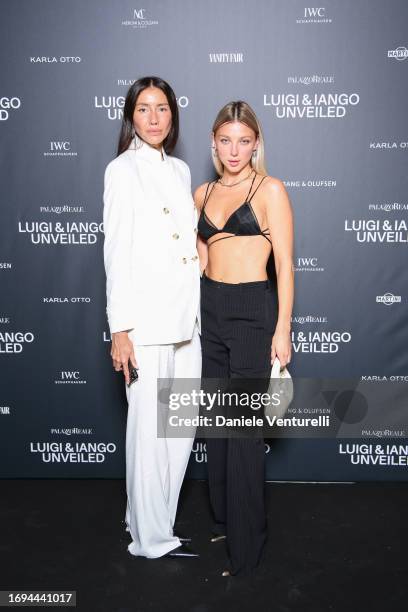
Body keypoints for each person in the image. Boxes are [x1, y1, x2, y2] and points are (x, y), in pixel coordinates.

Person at [103, 76, 201, 559]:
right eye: (144, 109)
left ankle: (149, 517)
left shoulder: (182, 171)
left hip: (188, 319)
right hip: (146, 322)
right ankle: (150, 538)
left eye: (162, 108)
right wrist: (119, 328)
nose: (155, 118)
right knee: (148, 431)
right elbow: (116, 252)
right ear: (131, 116)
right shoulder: (122, 171)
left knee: (178, 431)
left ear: (172, 114)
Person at [194, 100, 294, 577]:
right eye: (226, 140)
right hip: (208, 312)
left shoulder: (269, 189)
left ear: (257, 144)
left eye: (244, 141)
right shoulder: (202, 193)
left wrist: (283, 328)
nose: (235, 150)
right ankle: (224, 519)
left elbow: (286, 266)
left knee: (244, 432)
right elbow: (197, 259)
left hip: (254, 313)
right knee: (215, 426)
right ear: (214, 142)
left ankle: (246, 549)